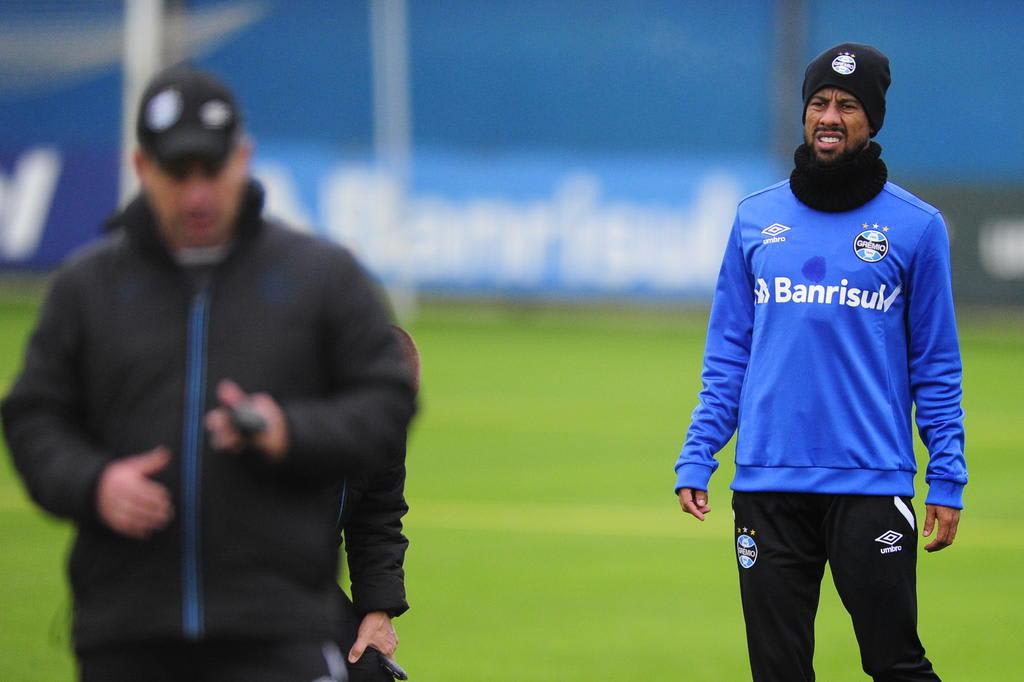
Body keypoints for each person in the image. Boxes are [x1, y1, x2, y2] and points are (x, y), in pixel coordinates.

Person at [1, 64, 416, 682]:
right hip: (127, 628)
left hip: (276, 628)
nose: (196, 194)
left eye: (212, 170)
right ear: (141, 168)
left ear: (243, 159)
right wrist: (95, 483)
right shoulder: (87, 290)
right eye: (176, 172)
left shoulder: (316, 280)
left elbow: (386, 406)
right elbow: (34, 418)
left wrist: (292, 432)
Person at [673, 43, 966, 681]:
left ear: (872, 120)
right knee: (777, 673)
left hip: (869, 484)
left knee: (896, 665)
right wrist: (700, 450)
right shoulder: (755, 218)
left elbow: (937, 366)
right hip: (766, 485)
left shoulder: (917, 228)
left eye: (848, 105)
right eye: (819, 103)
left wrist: (948, 473)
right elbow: (729, 351)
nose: (830, 116)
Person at [335, 326, 419, 681]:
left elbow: (378, 517)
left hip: (299, 581)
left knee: (368, 669)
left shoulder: (385, 434)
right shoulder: (285, 426)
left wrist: (378, 608)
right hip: (230, 578)